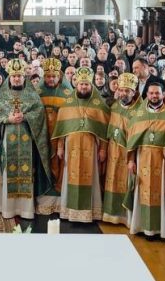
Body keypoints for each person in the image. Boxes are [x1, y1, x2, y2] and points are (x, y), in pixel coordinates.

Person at [0, 59, 52, 219]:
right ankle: (7, 209)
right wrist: (7, 119)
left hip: (27, 140)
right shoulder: (1, 95)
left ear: (24, 77)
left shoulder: (32, 95)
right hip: (7, 139)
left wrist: (25, 116)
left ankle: (25, 209)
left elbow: (39, 114)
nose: (17, 79)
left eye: (19, 76)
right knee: (8, 171)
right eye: (14, 76)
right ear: (9, 77)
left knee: (26, 172)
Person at [51, 67, 108, 222]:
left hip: (92, 148)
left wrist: (103, 149)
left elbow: (104, 130)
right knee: (70, 175)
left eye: (87, 85)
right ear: (76, 84)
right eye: (81, 84)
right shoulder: (68, 103)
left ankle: (90, 212)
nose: (84, 87)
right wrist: (60, 147)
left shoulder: (99, 104)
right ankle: (69, 212)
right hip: (71, 148)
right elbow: (62, 128)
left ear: (91, 85)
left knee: (91, 177)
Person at [126, 80, 165, 239]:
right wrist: (131, 160)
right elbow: (132, 141)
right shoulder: (138, 115)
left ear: (163, 94)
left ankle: (160, 229)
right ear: (146, 94)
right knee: (142, 192)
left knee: (161, 193)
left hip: (162, 161)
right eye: (151, 93)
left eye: (157, 93)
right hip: (142, 157)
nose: (154, 96)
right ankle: (143, 226)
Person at [102, 73, 140, 225]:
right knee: (111, 180)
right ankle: (111, 214)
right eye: (122, 90)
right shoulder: (115, 106)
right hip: (113, 150)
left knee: (126, 183)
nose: (124, 93)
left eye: (127, 91)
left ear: (134, 91)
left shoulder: (139, 110)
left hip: (128, 154)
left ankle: (126, 217)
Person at [39, 58, 72, 197]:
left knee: (59, 159)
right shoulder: (37, 92)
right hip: (42, 133)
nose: (51, 79)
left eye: (54, 76)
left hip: (60, 133)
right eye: (48, 76)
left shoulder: (68, 93)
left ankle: (59, 185)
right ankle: (45, 185)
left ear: (60, 76)